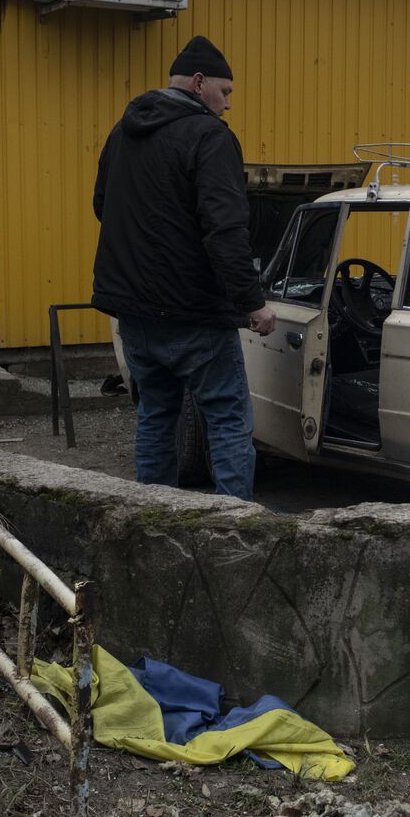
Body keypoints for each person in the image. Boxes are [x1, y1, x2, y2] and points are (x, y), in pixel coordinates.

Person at [92, 35, 275, 501]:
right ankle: (233, 527)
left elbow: (102, 205)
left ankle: (153, 517)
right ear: (199, 82)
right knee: (229, 417)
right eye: (225, 91)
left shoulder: (122, 131)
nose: (228, 104)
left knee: (156, 412)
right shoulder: (210, 136)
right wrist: (252, 302)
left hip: (132, 312)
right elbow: (226, 229)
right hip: (194, 313)